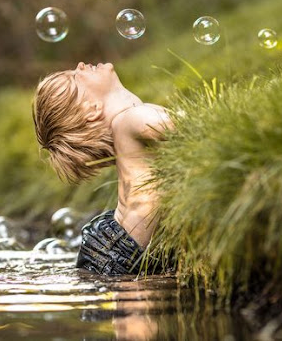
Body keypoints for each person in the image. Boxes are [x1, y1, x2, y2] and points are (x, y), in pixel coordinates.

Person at [32, 62, 175, 275]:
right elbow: (193, 126)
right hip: (120, 253)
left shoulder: (128, 123)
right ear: (92, 109)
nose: (80, 66)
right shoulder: (130, 120)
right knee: (131, 305)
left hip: (114, 246)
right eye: (75, 77)